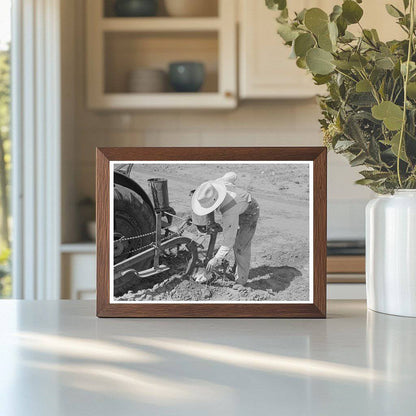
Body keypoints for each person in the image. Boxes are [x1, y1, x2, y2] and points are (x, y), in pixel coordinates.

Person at [191, 172, 260, 285]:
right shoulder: (215, 186)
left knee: (240, 247)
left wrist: (215, 259)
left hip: (249, 212)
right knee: (234, 240)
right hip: (239, 204)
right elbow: (232, 175)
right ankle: (236, 268)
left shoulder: (229, 211)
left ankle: (241, 282)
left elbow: (229, 241)